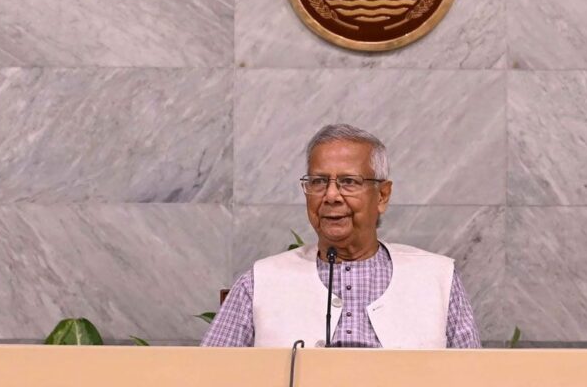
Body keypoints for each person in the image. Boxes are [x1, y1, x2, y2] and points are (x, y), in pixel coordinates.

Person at [202, 124, 480, 348]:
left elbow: (475, 378)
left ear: (382, 195)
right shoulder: (259, 282)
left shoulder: (438, 279)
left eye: (349, 182)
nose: (331, 196)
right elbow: (206, 376)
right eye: (319, 182)